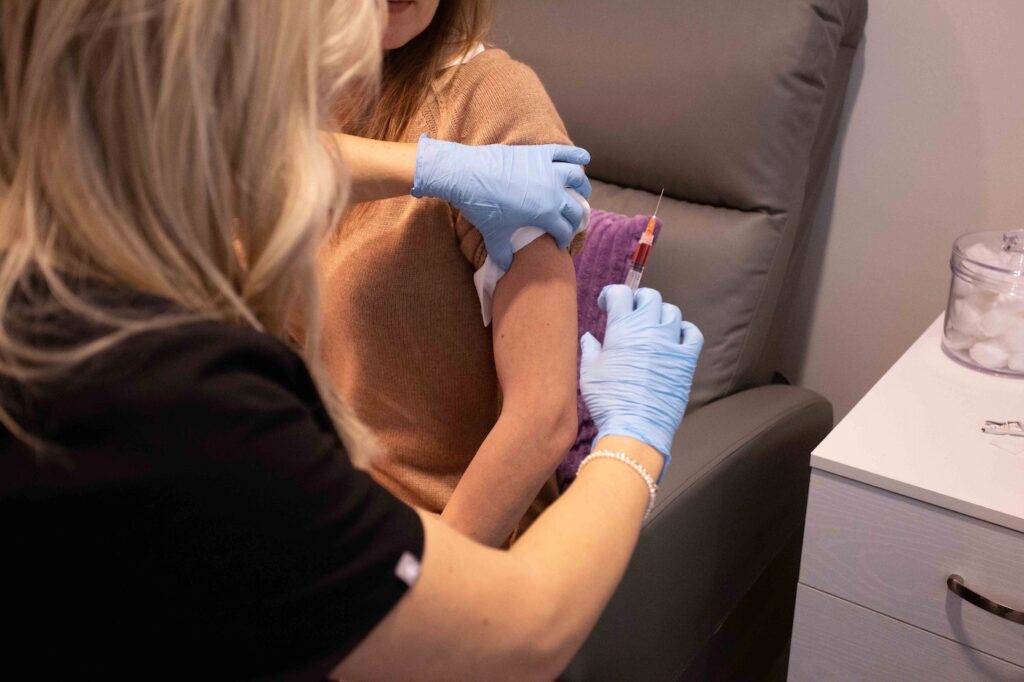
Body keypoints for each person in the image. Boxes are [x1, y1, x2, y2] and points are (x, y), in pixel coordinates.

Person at [0, 2, 703, 680]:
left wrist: (423, 607)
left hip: (420, 546)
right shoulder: (190, 400)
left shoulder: (495, 103)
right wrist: (634, 438)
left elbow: (541, 418)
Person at [319, 0, 587, 546]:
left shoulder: (495, 103)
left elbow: (542, 417)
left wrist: (425, 583)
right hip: (300, 500)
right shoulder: (289, 88)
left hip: (426, 536)